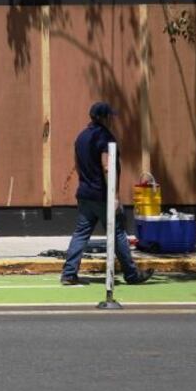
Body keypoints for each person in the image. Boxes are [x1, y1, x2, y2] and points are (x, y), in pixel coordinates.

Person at [60, 102, 153, 285]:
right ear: (103, 117)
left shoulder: (81, 137)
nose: (112, 120)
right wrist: (115, 196)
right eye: (110, 116)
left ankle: (69, 274)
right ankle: (131, 274)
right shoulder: (105, 137)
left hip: (85, 194)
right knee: (117, 233)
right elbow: (107, 166)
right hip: (102, 195)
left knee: (81, 233)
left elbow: (77, 165)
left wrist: (86, 182)